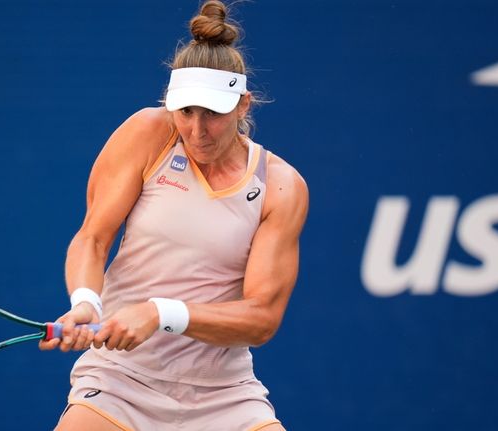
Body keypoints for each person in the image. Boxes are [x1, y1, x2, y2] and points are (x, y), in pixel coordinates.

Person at [40, 1, 308, 430]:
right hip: (119, 382)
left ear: (243, 105)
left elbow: (261, 319)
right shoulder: (148, 134)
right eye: (185, 112)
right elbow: (92, 238)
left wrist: (160, 312)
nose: (197, 131)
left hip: (225, 395)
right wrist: (87, 302)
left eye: (214, 114)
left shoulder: (280, 186)